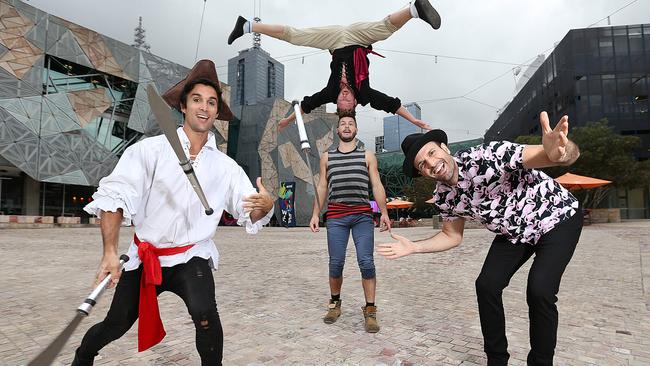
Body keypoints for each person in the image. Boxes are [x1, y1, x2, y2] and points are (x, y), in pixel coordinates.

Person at [72, 60, 274, 366]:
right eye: (197, 100)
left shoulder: (227, 168)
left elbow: (249, 210)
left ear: (217, 112)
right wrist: (110, 251)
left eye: (211, 102)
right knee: (117, 323)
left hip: (191, 256)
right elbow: (114, 197)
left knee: (205, 314)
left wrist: (265, 207)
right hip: (145, 255)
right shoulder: (148, 151)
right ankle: (82, 357)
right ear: (183, 105)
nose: (204, 108)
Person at [378, 112, 583, 365]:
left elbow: (559, 156)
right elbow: (451, 236)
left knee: (539, 290)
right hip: (514, 232)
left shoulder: (488, 156)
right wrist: (414, 247)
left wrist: (557, 152)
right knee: (486, 285)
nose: (431, 164)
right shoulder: (444, 196)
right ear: (422, 173)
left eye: (431, 153)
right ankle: (496, 360)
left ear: (443, 147)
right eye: (422, 164)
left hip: (556, 217)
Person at [227, 0, 441, 131]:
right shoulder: (365, 94)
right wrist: (415, 121)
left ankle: (247, 25)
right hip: (358, 38)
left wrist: (287, 121)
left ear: (337, 102)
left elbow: (306, 106)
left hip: (335, 41)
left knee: (296, 36)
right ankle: (415, 8)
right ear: (356, 102)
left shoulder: (329, 93)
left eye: (342, 102)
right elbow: (391, 104)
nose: (345, 97)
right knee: (384, 30)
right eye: (349, 101)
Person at [310, 111, 391, 333]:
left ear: (356, 130)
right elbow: (322, 187)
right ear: (337, 130)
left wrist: (383, 212)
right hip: (336, 216)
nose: (346, 126)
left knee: (366, 262)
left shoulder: (368, 155)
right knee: (336, 263)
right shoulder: (327, 157)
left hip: (362, 216)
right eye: (343, 124)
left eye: (350, 124)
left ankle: (371, 310)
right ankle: (335, 303)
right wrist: (316, 213)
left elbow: (377, 185)